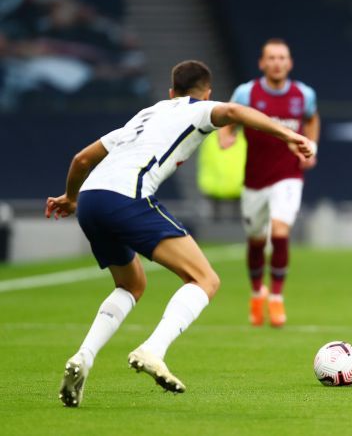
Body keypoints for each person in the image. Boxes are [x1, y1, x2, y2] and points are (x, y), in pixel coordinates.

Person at [46, 60, 315, 407]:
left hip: (91, 200)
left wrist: (70, 197)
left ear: (170, 92)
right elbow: (234, 110)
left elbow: (82, 159)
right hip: (127, 197)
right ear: (207, 92)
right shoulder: (199, 109)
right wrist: (290, 134)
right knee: (205, 279)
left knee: (131, 285)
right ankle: (153, 350)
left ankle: (83, 357)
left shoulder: (145, 115)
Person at [217, 39, 320, 328]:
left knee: (280, 231)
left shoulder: (304, 94)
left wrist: (311, 146)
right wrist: (228, 134)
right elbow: (229, 116)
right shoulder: (247, 93)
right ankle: (256, 294)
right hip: (254, 180)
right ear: (262, 63)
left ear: (289, 63)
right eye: (271, 58)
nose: (277, 62)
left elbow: (312, 119)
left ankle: (276, 297)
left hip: (288, 175)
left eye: (282, 58)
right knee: (256, 240)